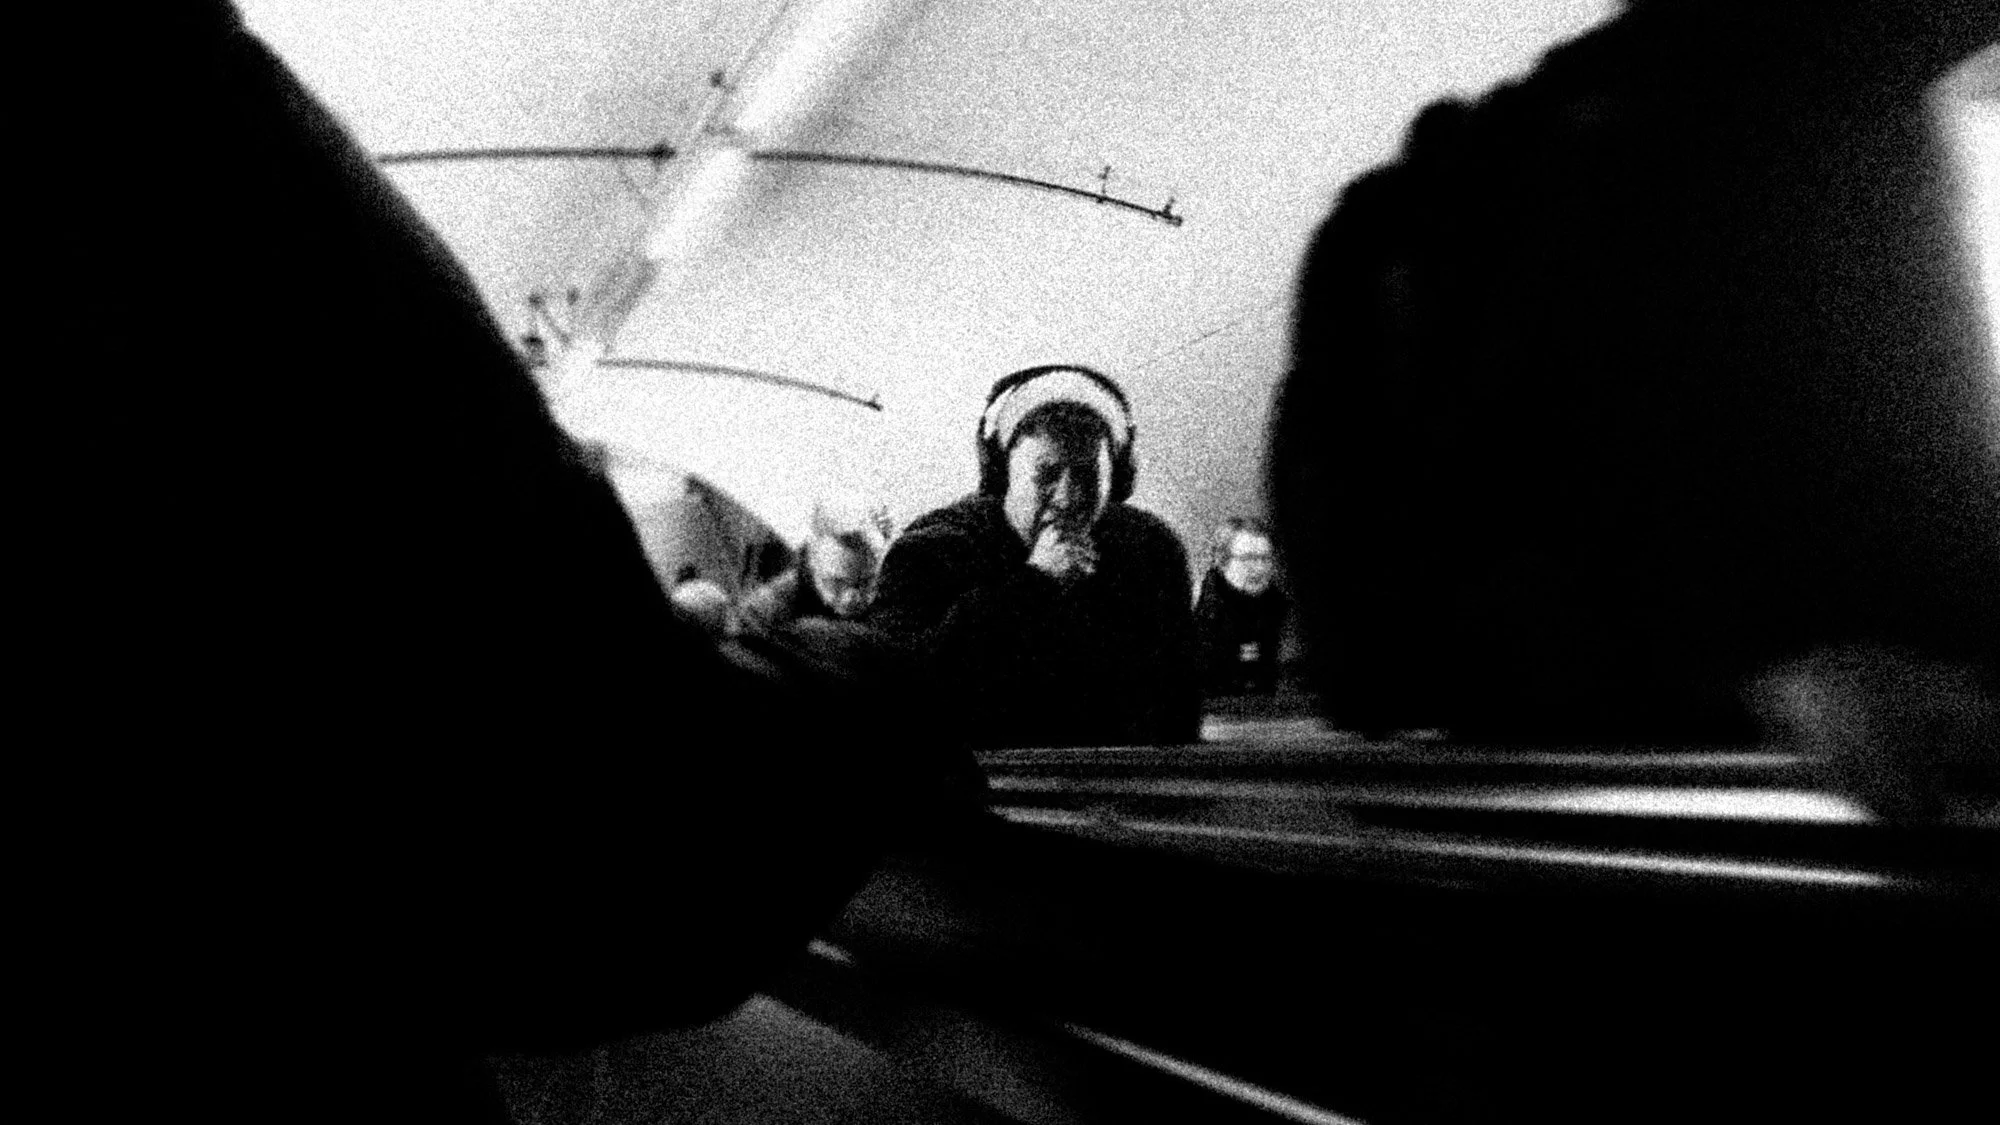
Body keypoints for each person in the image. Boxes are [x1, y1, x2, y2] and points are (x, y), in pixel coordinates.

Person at [868, 365, 1201, 748]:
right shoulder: (929, 551)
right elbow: (892, 693)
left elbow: (1179, 709)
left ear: (1116, 480)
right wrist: (1033, 585)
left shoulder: (1152, 550)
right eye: (1046, 475)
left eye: (1087, 476)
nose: (1068, 498)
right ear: (1004, 473)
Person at [732, 495, 889, 638]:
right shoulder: (765, 615)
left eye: (865, 582)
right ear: (812, 557)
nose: (850, 598)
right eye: (836, 583)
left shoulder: (896, 600)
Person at [1194, 517, 1288, 696]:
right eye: (1248, 559)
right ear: (1222, 562)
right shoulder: (1195, 614)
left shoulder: (1283, 610)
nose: (1259, 568)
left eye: (1265, 558)